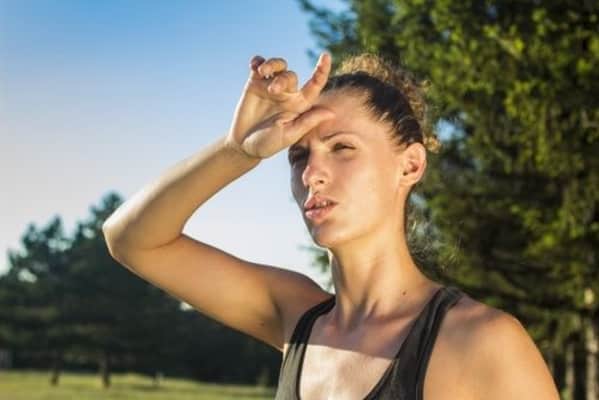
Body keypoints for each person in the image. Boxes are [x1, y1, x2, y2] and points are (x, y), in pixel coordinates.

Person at [102, 52, 560, 399]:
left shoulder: (481, 342)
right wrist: (237, 150)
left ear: (410, 165)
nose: (311, 174)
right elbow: (131, 240)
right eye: (298, 155)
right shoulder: (294, 316)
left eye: (342, 148)